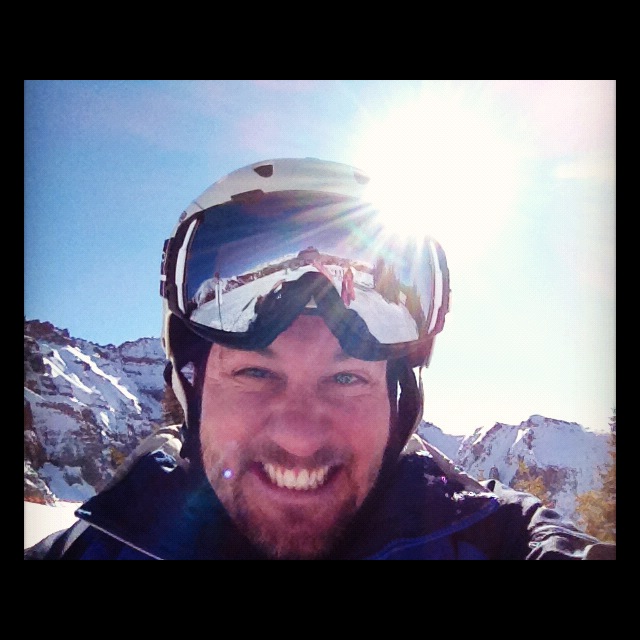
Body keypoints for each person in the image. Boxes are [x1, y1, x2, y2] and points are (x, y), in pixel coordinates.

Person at [25, 158, 615, 560]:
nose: (301, 437)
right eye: (256, 372)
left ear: (398, 404)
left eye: (347, 377)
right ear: (192, 384)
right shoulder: (97, 549)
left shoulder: (491, 538)